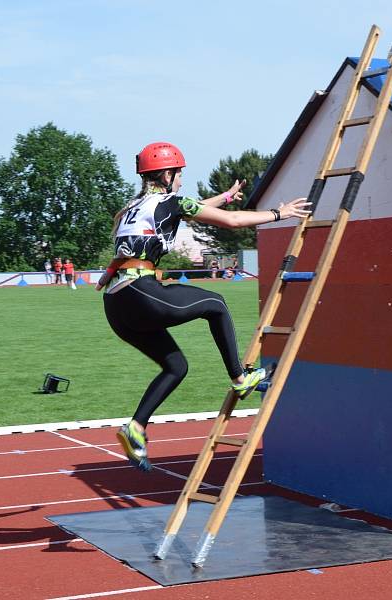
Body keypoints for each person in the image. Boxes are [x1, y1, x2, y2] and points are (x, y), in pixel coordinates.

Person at [99, 141, 310, 471]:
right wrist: (279, 214)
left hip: (115, 304)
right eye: (180, 174)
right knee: (216, 302)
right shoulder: (171, 201)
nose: (182, 180)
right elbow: (233, 221)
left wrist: (224, 197)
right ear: (167, 175)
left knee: (176, 366)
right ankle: (240, 377)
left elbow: (194, 209)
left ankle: (136, 427)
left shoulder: (132, 207)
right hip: (140, 290)